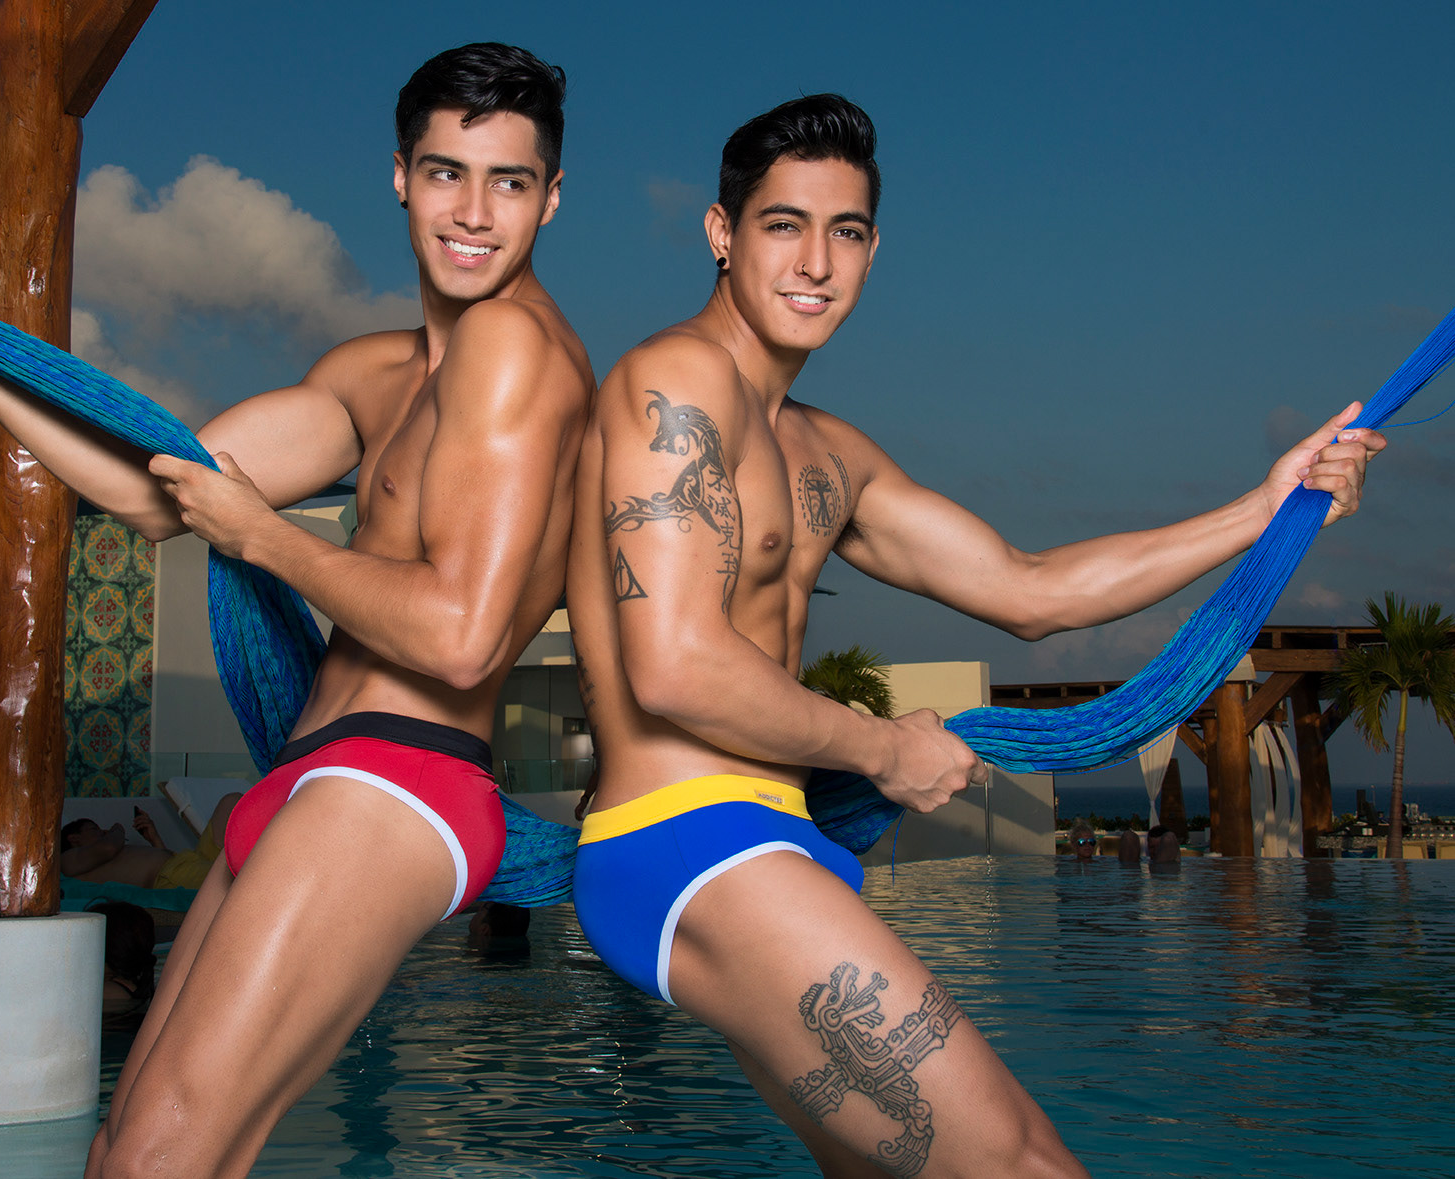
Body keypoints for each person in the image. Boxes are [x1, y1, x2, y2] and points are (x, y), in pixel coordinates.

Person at [566, 93, 1382, 1177]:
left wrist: (1265, 507)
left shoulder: (828, 453)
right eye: (782, 225)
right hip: (681, 837)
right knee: (1024, 1162)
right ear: (721, 233)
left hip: (769, 840)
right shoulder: (674, 383)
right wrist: (883, 749)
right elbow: (673, 666)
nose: (815, 262)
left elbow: (1031, 589)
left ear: (872, 250)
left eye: (845, 232)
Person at [0, 42, 592, 1179]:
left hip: (399, 778)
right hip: (311, 773)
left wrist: (263, 537)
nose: (473, 212)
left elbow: (461, 635)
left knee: (156, 1158)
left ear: (551, 197)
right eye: (446, 173)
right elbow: (153, 492)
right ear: (400, 177)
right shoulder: (377, 374)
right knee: (128, 1154)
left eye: (509, 182)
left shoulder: (514, 348)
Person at [59, 795, 238, 891]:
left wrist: (154, 839)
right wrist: (117, 829)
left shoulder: (98, 856)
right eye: (94, 829)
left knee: (232, 802)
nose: (102, 831)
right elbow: (109, 847)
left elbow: (160, 861)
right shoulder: (68, 860)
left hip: (184, 862)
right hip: (174, 874)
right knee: (239, 880)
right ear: (74, 838)